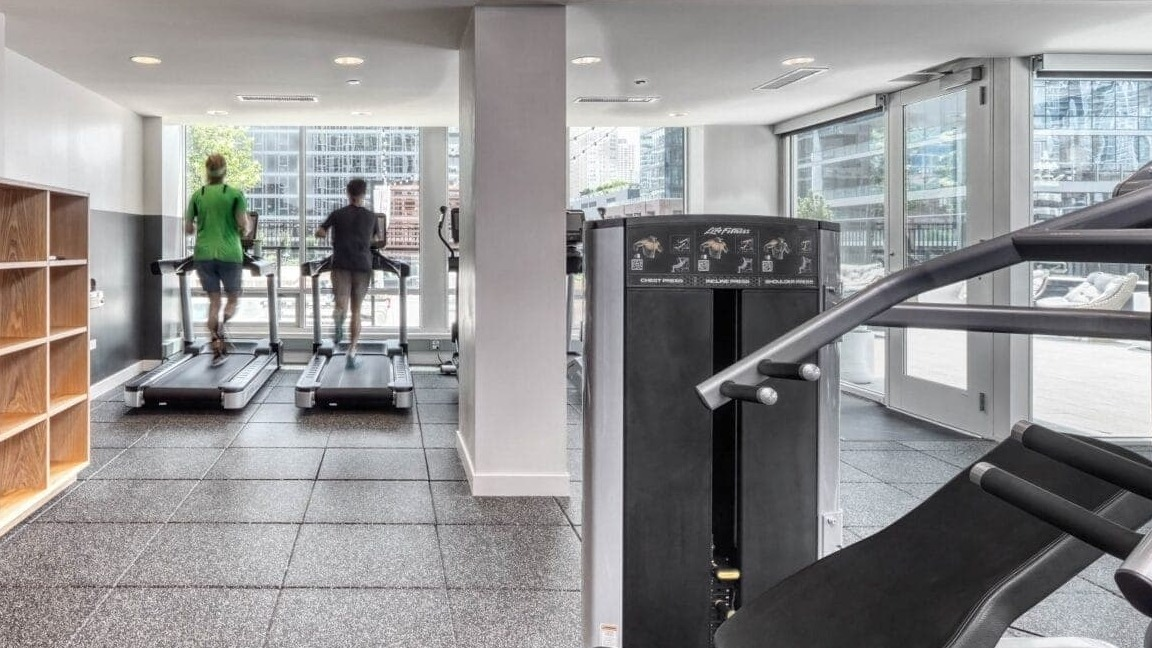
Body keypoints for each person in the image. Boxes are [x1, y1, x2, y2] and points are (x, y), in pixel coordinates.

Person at [186, 154, 249, 367]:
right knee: (232, 299)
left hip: (203, 254)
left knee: (214, 301)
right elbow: (244, 225)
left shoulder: (198, 194)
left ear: (207, 171)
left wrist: (201, 226)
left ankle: (216, 343)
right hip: (230, 254)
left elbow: (188, 229)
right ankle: (223, 327)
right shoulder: (234, 194)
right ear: (225, 171)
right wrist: (242, 227)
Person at [315, 178, 380, 368]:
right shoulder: (371, 216)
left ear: (347, 193)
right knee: (357, 310)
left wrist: (324, 234)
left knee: (341, 303)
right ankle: (352, 350)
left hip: (341, 263)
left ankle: (338, 322)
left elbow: (320, 232)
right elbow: (376, 239)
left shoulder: (337, 214)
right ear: (364, 194)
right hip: (362, 265)